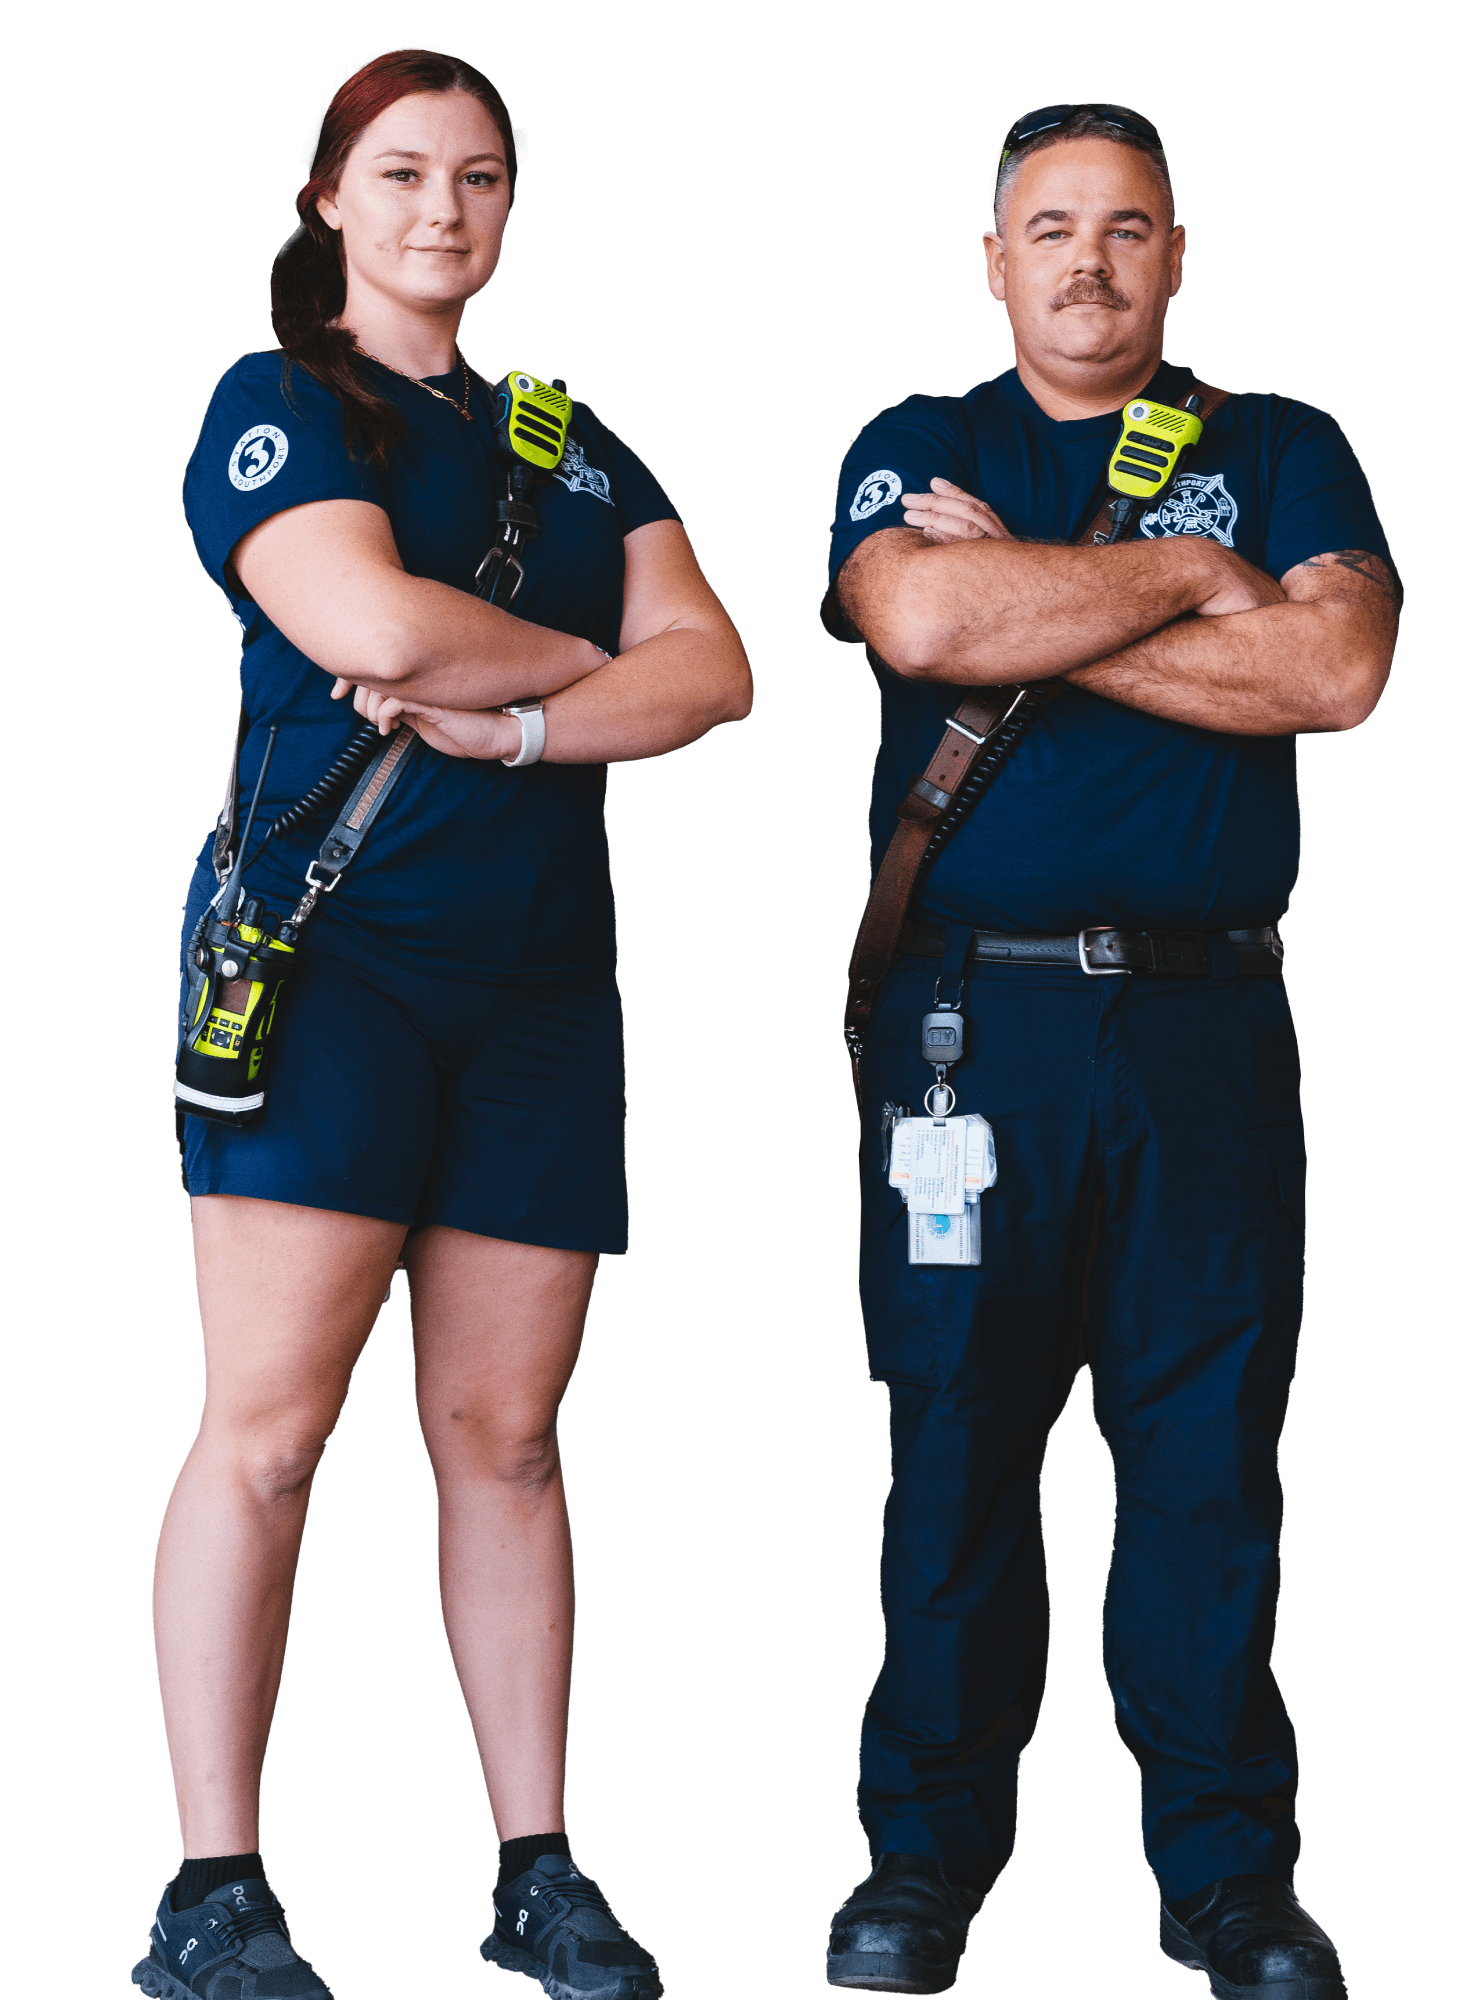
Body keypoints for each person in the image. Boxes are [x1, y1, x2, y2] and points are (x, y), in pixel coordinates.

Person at [137, 44, 751, 2000]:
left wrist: (524, 723)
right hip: (331, 972)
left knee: (511, 1439)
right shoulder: (275, 404)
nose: (441, 209)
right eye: (401, 172)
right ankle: (212, 1893)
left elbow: (715, 672)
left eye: (478, 176)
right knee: (270, 1435)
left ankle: (534, 1874)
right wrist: (584, 667)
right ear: (327, 194)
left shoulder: (572, 440)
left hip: (541, 990)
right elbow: (374, 624)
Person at [818, 103, 1397, 1998]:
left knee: (1206, 1456)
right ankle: (920, 1864)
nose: (1089, 260)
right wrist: (1199, 579)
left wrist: (1042, 605)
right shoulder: (919, 442)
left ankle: (1227, 1877)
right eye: (1051, 227)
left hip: (1208, 1028)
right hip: (968, 1032)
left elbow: (1334, 672)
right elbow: (918, 612)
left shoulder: (1283, 444)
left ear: (1175, 256)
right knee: (954, 1437)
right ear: (995, 262)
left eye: (1127, 227)